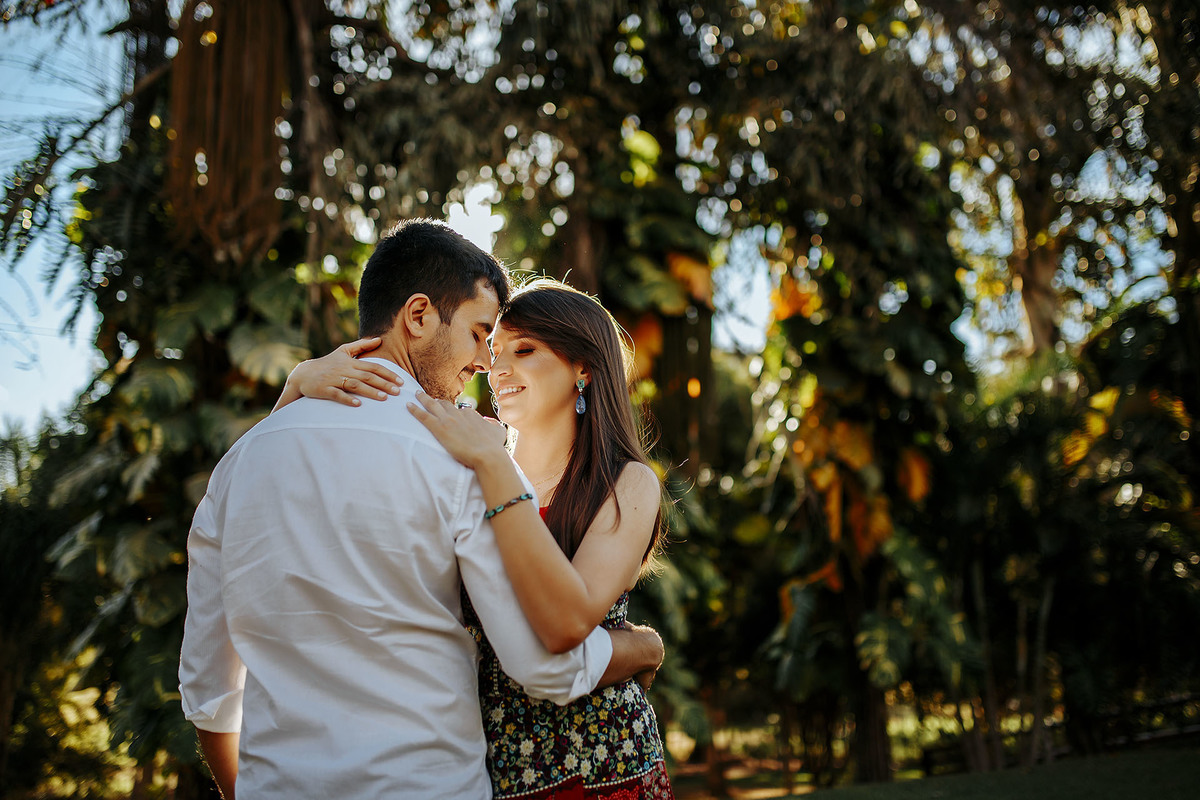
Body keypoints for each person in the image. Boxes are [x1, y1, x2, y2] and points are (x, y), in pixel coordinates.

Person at [178, 220, 665, 800]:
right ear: (418, 317)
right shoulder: (461, 459)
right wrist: (640, 646)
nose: (487, 365)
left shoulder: (239, 465)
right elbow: (541, 667)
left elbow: (209, 691)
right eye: (481, 334)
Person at [287, 278, 674, 798]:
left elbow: (566, 623)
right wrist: (295, 387)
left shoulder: (624, 482)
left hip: (602, 761)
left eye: (525, 349)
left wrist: (492, 462)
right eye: (493, 350)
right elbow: (329, 475)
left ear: (583, 366)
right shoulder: (464, 463)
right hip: (486, 767)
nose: (496, 369)